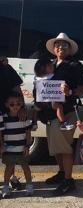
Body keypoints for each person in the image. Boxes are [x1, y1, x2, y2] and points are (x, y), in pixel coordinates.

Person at [44, 33, 83, 195]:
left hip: (68, 110)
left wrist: (70, 91)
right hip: (50, 112)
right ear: (53, 48)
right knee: (56, 147)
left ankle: (69, 180)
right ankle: (62, 173)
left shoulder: (74, 65)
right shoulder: (50, 64)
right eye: (58, 45)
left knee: (64, 147)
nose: (60, 47)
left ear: (70, 49)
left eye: (64, 45)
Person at [0, 91, 33, 198]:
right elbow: (1, 133)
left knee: (26, 168)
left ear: (22, 105)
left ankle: (29, 185)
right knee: (9, 168)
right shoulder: (3, 118)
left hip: (22, 149)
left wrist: (27, 146)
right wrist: (2, 145)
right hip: (8, 149)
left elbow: (28, 133)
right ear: (6, 105)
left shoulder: (24, 117)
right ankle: (5, 187)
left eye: (18, 104)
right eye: (12, 104)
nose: (15, 106)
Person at [0, 57, 24, 191]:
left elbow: (17, 88)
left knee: (10, 149)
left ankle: (12, 178)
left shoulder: (7, 68)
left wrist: (22, 108)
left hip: (8, 115)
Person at [32, 58, 74, 131]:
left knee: (36, 108)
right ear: (44, 69)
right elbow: (59, 86)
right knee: (59, 107)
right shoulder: (53, 77)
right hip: (51, 100)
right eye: (50, 66)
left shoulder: (37, 79)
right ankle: (63, 122)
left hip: (41, 100)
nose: (52, 66)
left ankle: (34, 122)